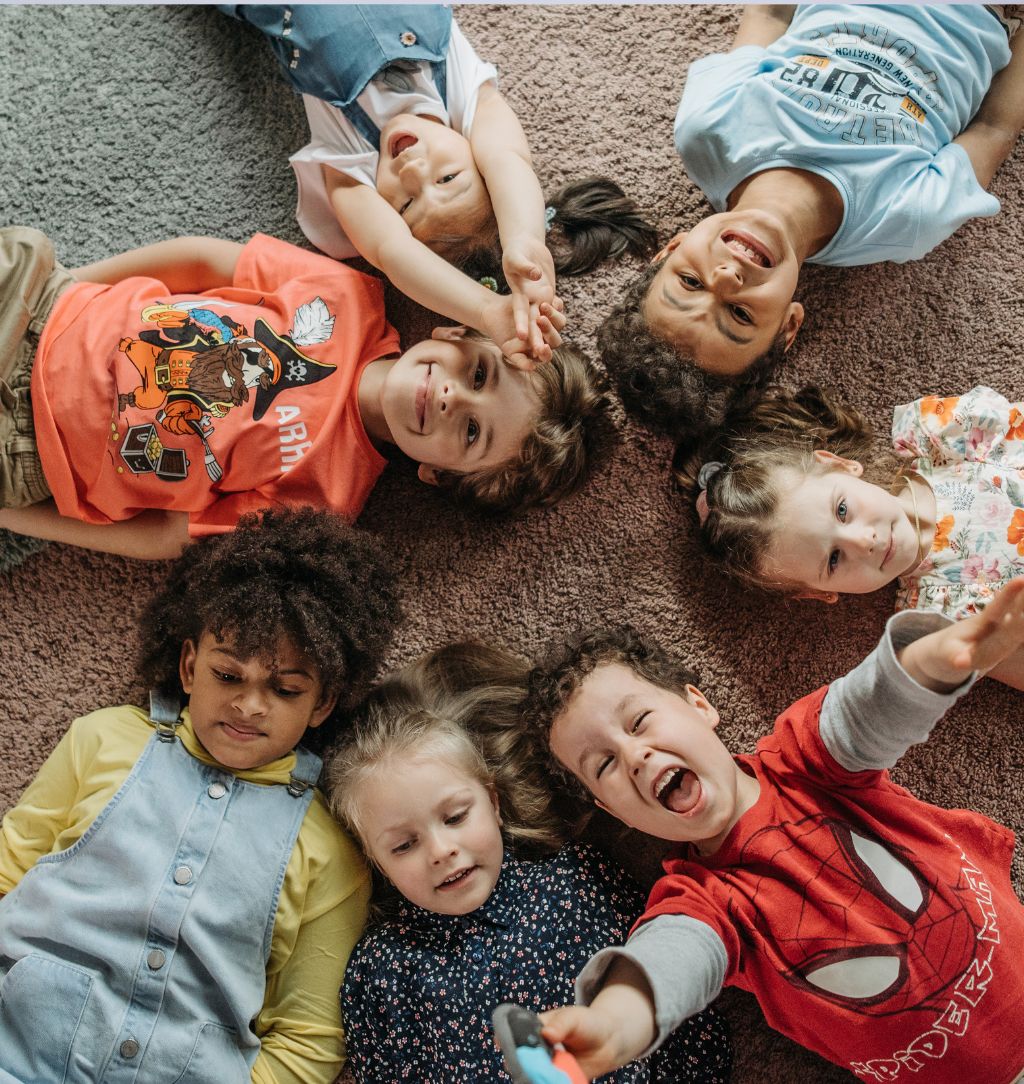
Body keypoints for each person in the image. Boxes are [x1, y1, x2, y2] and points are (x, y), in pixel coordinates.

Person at [519, 588, 1024, 1083]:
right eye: (604, 763)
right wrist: (612, 1027)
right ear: (613, 810)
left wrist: (936, 662)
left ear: (699, 705)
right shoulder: (698, 902)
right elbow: (670, 960)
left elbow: (868, 709)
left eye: (640, 721)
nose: (635, 756)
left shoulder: (806, 758)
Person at [0, 505, 401, 1083]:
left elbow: (310, 1042)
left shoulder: (329, 847)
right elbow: (10, 866)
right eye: (228, 675)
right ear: (190, 666)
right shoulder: (104, 739)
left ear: (323, 703)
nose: (249, 705)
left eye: (285, 689)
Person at [0, 226, 610, 561]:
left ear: (438, 475)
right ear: (453, 331)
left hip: (27, 452)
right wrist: (65, 289)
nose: (455, 400)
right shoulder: (350, 296)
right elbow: (203, 261)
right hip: (46, 310)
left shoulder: (327, 504)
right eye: (478, 374)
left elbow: (167, 535)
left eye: (473, 434)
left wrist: (14, 517)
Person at [598, 4, 1024, 437]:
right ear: (789, 325)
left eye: (690, 282)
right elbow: (993, 126)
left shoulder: (707, 129)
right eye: (740, 314)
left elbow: (771, 15)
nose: (727, 277)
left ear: (669, 248)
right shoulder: (904, 220)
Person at [326, 642, 732, 1083]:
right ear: (375, 861)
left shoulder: (579, 880)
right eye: (404, 846)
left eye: (456, 817)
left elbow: (677, 1009)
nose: (441, 851)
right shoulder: (380, 970)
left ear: (494, 803)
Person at [220, 5, 657, 361]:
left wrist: (487, 311)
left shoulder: (351, 153)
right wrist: (526, 242)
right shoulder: (463, 97)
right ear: (475, 155)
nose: (412, 171)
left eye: (406, 205)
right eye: (448, 178)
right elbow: (508, 158)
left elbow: (393, 252)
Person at [677, 383, 1024, 689]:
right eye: (833, 559)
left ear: (839, 464)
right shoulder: (936, 624)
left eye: (842, 510)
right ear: (819, 593)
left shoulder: (946, 441)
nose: (863, 542)